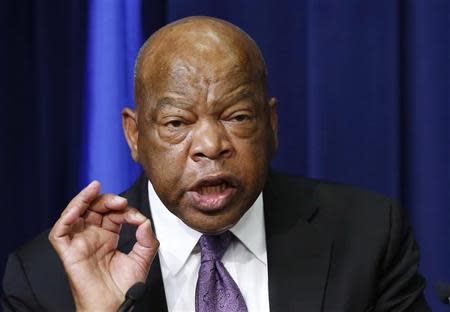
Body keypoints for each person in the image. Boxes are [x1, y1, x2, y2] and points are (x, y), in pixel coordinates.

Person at [2, 16, 430, 312]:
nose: (210, 145)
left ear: (271, 124)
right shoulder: (45, 278)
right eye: (176, 122)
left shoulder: (367, 236)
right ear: (134, 135)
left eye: (237, 116)